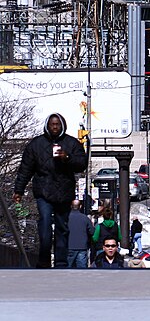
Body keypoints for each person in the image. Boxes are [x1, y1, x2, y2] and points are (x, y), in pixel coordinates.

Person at [13, 113, 88, 268]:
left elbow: (82, 164)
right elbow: (25, 168)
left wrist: (66, 157)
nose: (54, 127)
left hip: (64, 191)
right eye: (52, 124)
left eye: (57, 124)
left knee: (62, 227)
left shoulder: (71, 143)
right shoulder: (36, 144)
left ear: (62, 126)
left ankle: (60, 262)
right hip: (43, 190)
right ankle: (44, 259)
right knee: (45, 222)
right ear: (47, 125)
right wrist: (19, 190)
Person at [67, 200, 94, 268]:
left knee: (67, 268)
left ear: (71, 206)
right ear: (80, 206)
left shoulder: (67, 218)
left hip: (69, 246)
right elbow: (92, 231)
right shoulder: (85, 218)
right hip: (82, 246)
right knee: (81, 269)